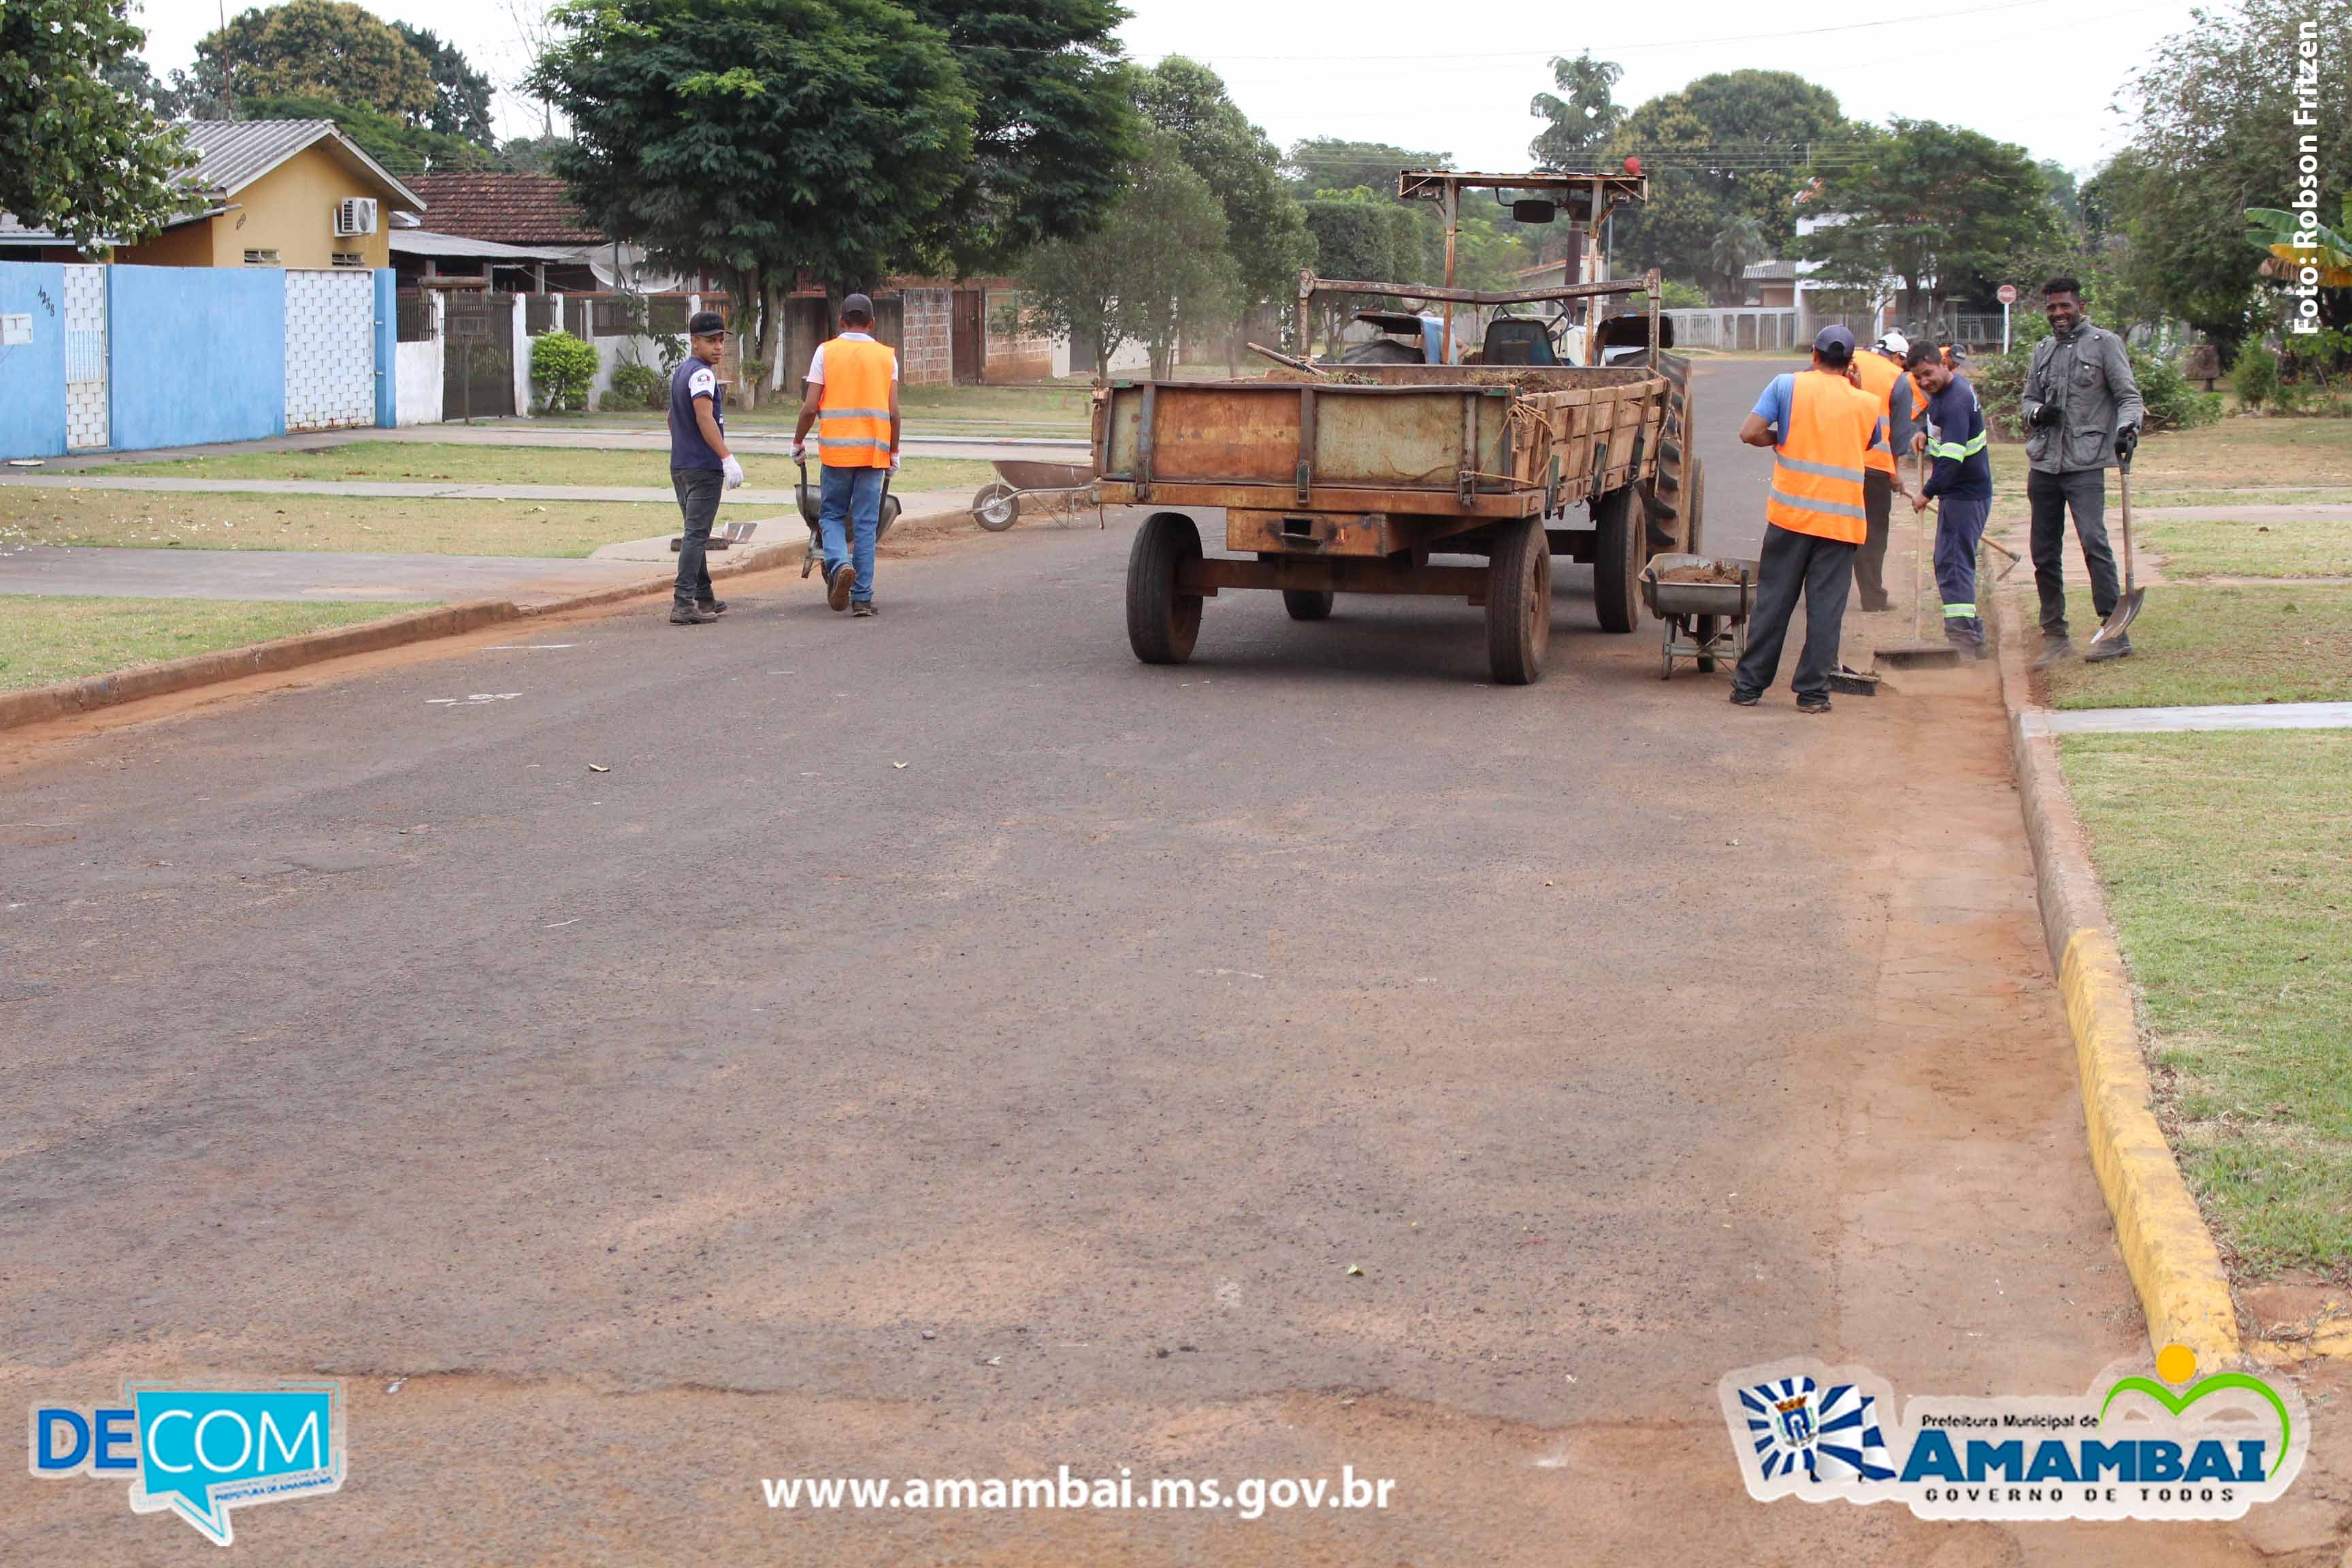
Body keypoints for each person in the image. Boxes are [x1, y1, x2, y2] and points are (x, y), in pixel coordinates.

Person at [1731, 325, 1891, 714]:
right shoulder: (1868, 403)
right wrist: (1853, 388)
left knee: (1773, 602)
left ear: (1814, 355)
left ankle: (1749, 688)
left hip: (1791, 517)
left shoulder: (1787, 386)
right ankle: (1812, 694)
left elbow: (1749, 432)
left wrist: (1779, 437)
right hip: (1842, 524)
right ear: (1850, 364)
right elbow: (1868, 443)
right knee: (1825, 609)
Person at [2021, 276, 2144, 664]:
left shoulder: (2104, 344)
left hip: (2086, 462)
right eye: (2051, 307)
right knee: (2043, 552)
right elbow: (2028, 400)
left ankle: (2113, 629)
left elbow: (2128, 397)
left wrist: (2128, 430)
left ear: (2080, 306)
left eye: (2065, 306)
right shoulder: (2042, 350)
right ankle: (2055, 635)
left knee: (2094, 542)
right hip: (2043, 463)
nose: (2058, 313)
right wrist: (2038, 413)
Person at [792, 293, 901, 619]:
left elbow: (811, 406)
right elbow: (894, 413)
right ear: (872, 323)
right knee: (867, 525)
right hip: (873, 454)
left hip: (836, 454)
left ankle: (839, 565)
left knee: (831, 517)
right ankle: (863, 599)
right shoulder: (886, 357)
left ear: (841, 321)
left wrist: (798, 441)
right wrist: (894, 452)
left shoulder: (826, 352)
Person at [1904, 342, 1993, 657]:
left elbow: (1953, 459)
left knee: (1954, 563)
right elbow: (1934, 415)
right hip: (1958, 493)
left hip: (1965, 493)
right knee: (1949, 560)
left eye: (1928, 374)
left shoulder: (1956, 400)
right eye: (1918, 378)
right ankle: (1964, 635)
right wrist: (1922, 432)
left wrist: (1926, 492)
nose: (1924, 382)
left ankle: (1966, 641)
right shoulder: (1945, 392)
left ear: (1942, 364)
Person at [666, 310, 745, 625]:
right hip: (703, 468)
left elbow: (672, 420)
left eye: (721, 340)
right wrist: (726, 457)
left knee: (694, 533)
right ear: (694, 342)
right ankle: (683, 602)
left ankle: (704, 596)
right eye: (710, 341)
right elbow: (704, 417)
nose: (717, 347)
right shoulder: (703, 375)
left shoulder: (681, 371)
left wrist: (685, 445)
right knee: (696, 535)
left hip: (682, 465)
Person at [1850, 331, 1921, 611]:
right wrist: (1894, 474)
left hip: (1836, 463)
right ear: (1898, 357)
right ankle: (1873, 598)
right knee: (1873, 535)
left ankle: (1819, 597)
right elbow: (1901, 436)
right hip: (1875, 469)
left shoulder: (1846, 358)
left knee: (1831, 532)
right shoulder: (1897, 378)